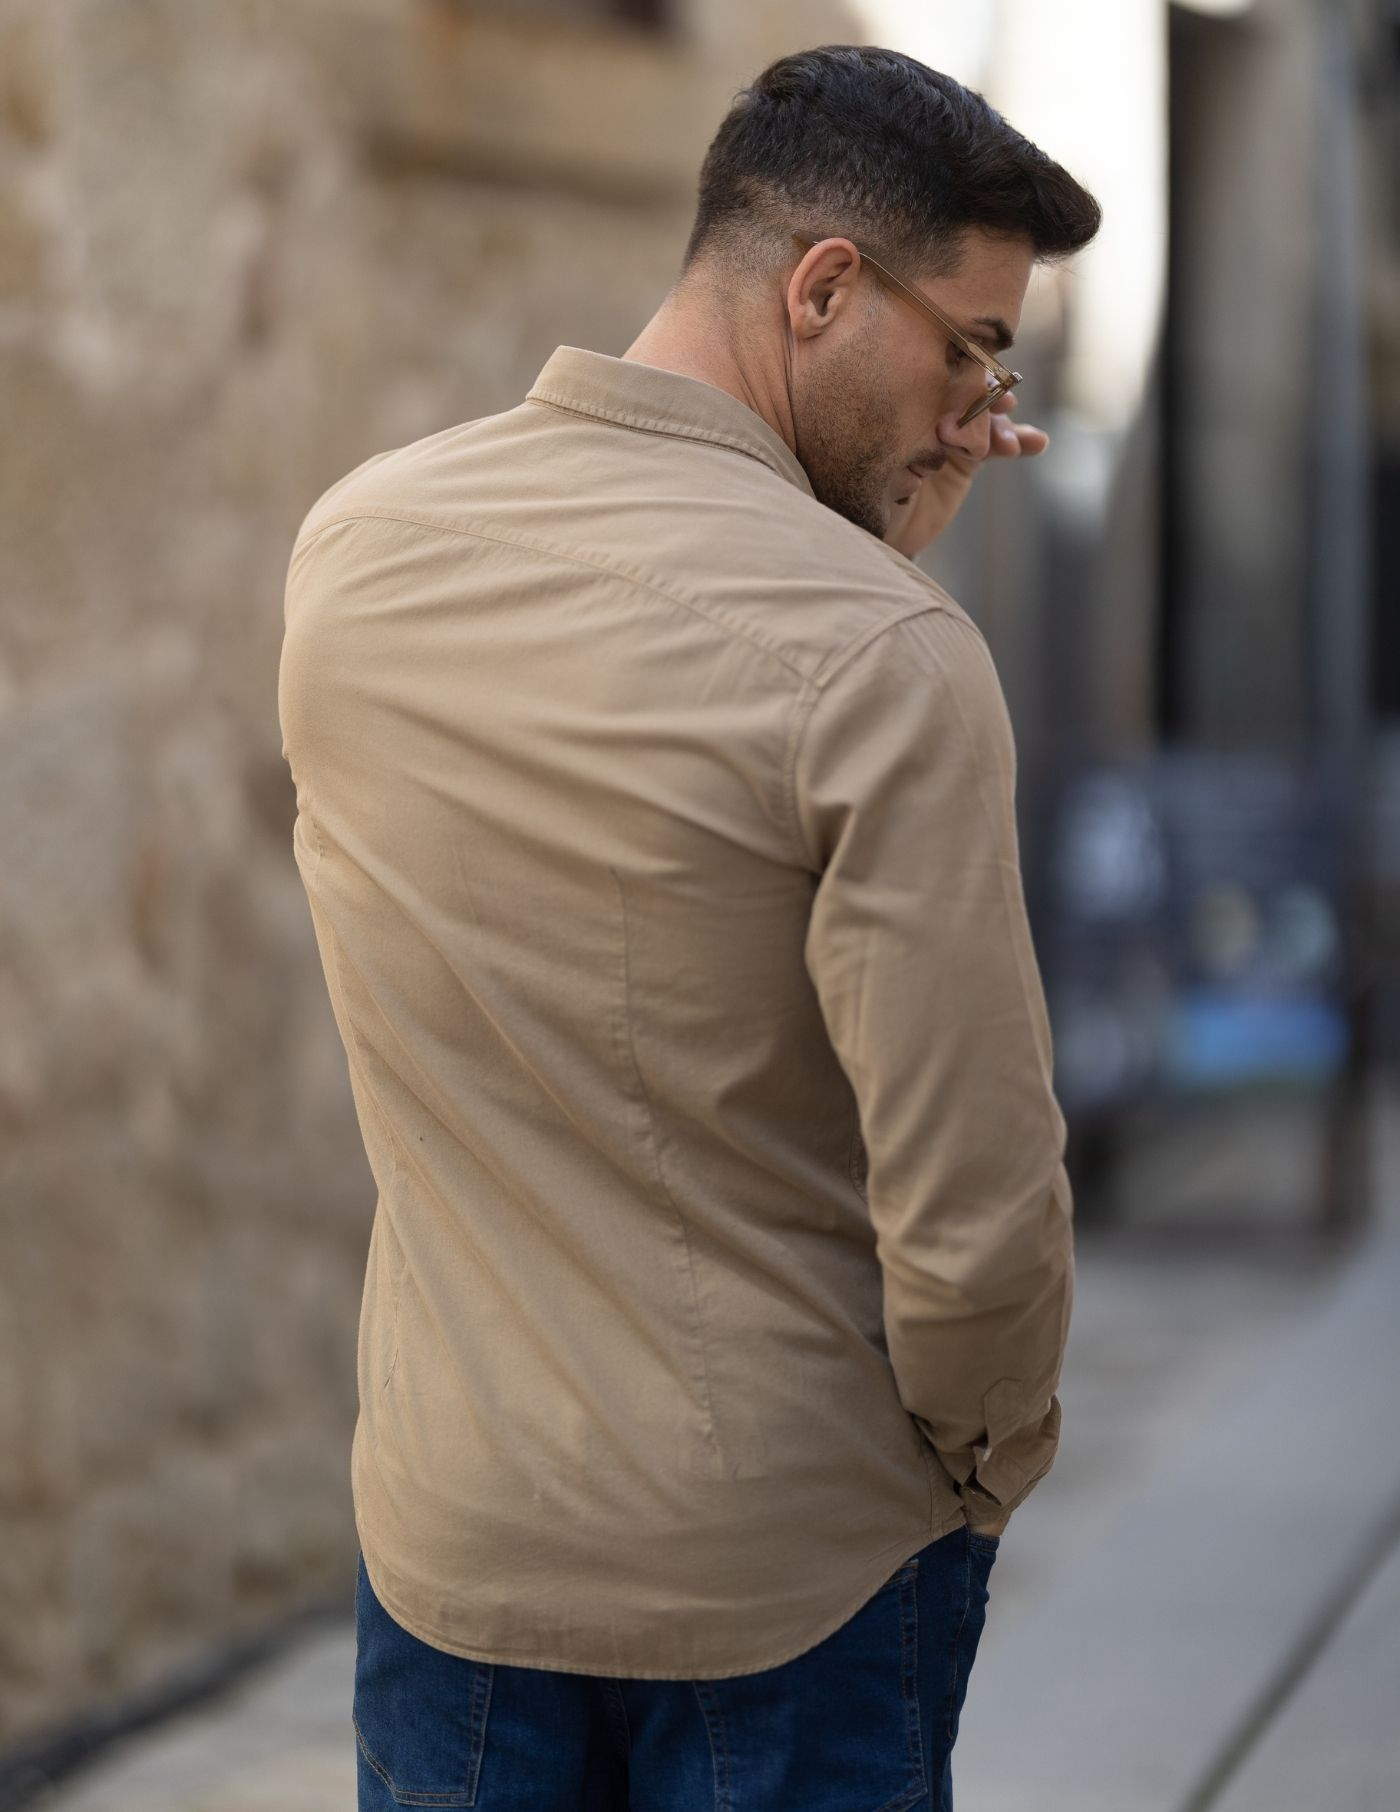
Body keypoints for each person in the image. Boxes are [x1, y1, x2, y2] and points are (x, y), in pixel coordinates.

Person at [278, 42, 1099, 1812]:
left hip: (455, 1549)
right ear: (824, 288)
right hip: (790, 1580)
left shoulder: (357, 549)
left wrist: (876, 544)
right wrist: (984, 1467)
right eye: (968, 347)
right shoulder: (886, 661)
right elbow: (973, 1200)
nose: (979, 405)